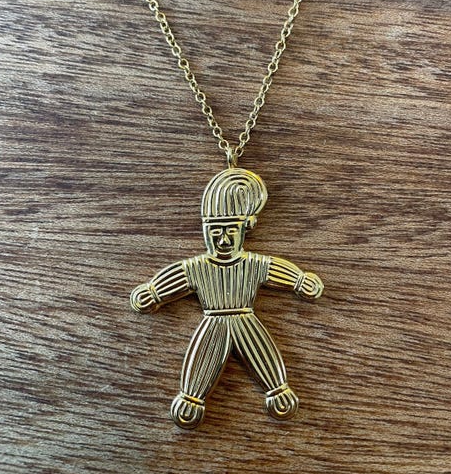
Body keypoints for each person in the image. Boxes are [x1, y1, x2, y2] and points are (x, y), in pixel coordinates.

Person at [131, 167, 323, 429]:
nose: (223, 241)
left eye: (230, 231)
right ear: (205, 231)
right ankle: (190, 400)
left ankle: (278, 392)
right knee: (203, 359)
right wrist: (154, 292)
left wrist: (299, 280)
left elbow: (274, 269)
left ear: (245, 229)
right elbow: (177, 276)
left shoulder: (252, 264)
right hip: (213, 323)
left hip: (246, 321)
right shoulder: (198, 267)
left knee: (261, 353)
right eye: (215, 232)